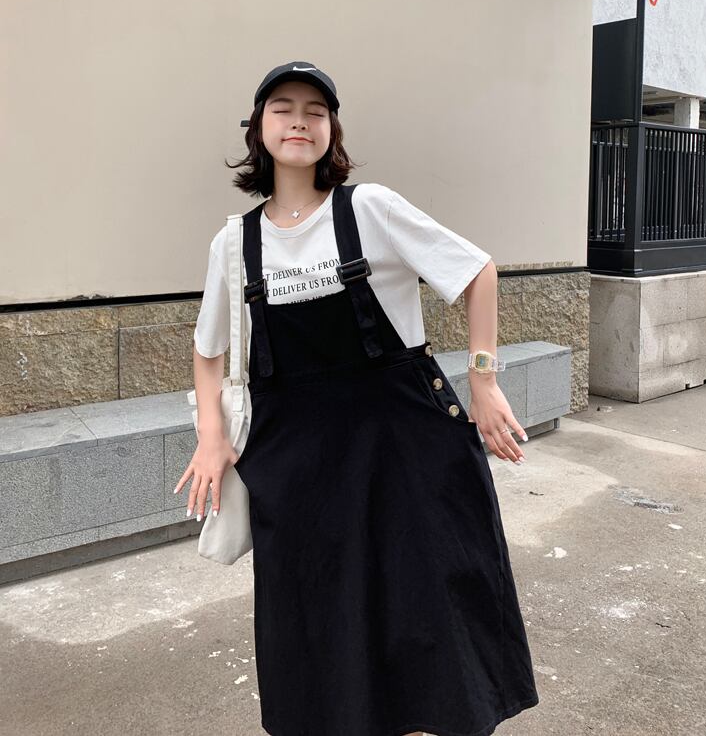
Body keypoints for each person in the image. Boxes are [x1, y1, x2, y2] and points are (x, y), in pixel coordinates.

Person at [177, 60, 539, 736]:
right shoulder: (234, 244)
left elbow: (477, 273)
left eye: (315, 111)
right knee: (318, 628)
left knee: (424, 618)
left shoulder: (370, 208)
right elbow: (207, 351)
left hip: (406, 454)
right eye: (283, 108)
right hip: (299, 474)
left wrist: (483, 379)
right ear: (259, 129)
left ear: (331, 131)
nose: (300, 121)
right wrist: (210, 438)